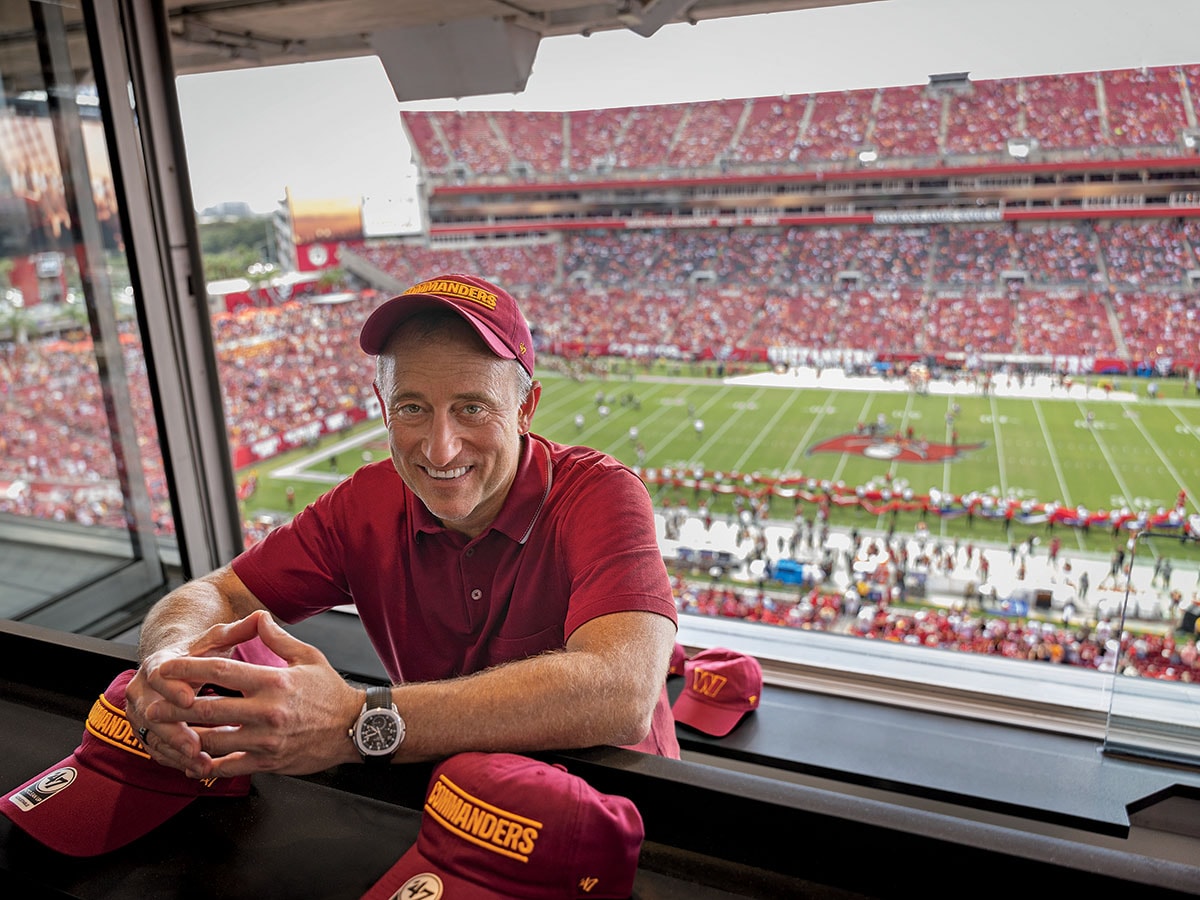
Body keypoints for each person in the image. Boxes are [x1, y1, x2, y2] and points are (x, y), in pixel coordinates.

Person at [127, 273, 679, 780]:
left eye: (471, 408)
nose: (440, 448)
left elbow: (622, 694)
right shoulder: (363, 503)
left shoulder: (601, 494)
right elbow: (217, 593)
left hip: (619, 807)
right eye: (412, 408)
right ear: (382, 406)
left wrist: (357, 721)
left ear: (524, 409)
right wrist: (170, 665)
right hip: (452, 801)